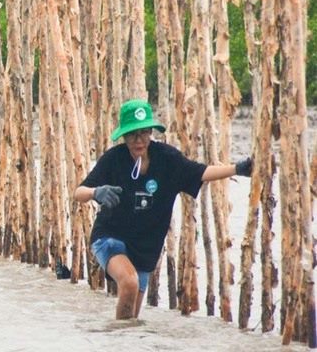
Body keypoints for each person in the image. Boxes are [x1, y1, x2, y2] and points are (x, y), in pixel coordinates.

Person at [74, 99, 253, 320]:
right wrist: (96, 192)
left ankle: (119, 342)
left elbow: (200, 172)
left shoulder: (167, 159)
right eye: (132, 135)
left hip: (146, 247)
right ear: (124, 136)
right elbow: (79, 192)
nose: (139, 140)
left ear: (151, 132)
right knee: (129, 283)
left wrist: (238, 168)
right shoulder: (114, 159)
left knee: (131, 319)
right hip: (111, 237)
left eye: (144, 133)